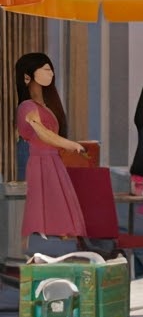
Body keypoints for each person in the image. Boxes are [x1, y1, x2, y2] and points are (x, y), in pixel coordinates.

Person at [14, 51, 86, 252]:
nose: (50, 74)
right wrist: (69, 144)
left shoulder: (46, 105)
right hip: (38, 161)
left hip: (52, 162)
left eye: (51, 70)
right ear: (28, 76)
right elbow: (42, 133)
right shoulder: (27, 106)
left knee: (53, 213)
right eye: (45, 69)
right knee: (36, 212)